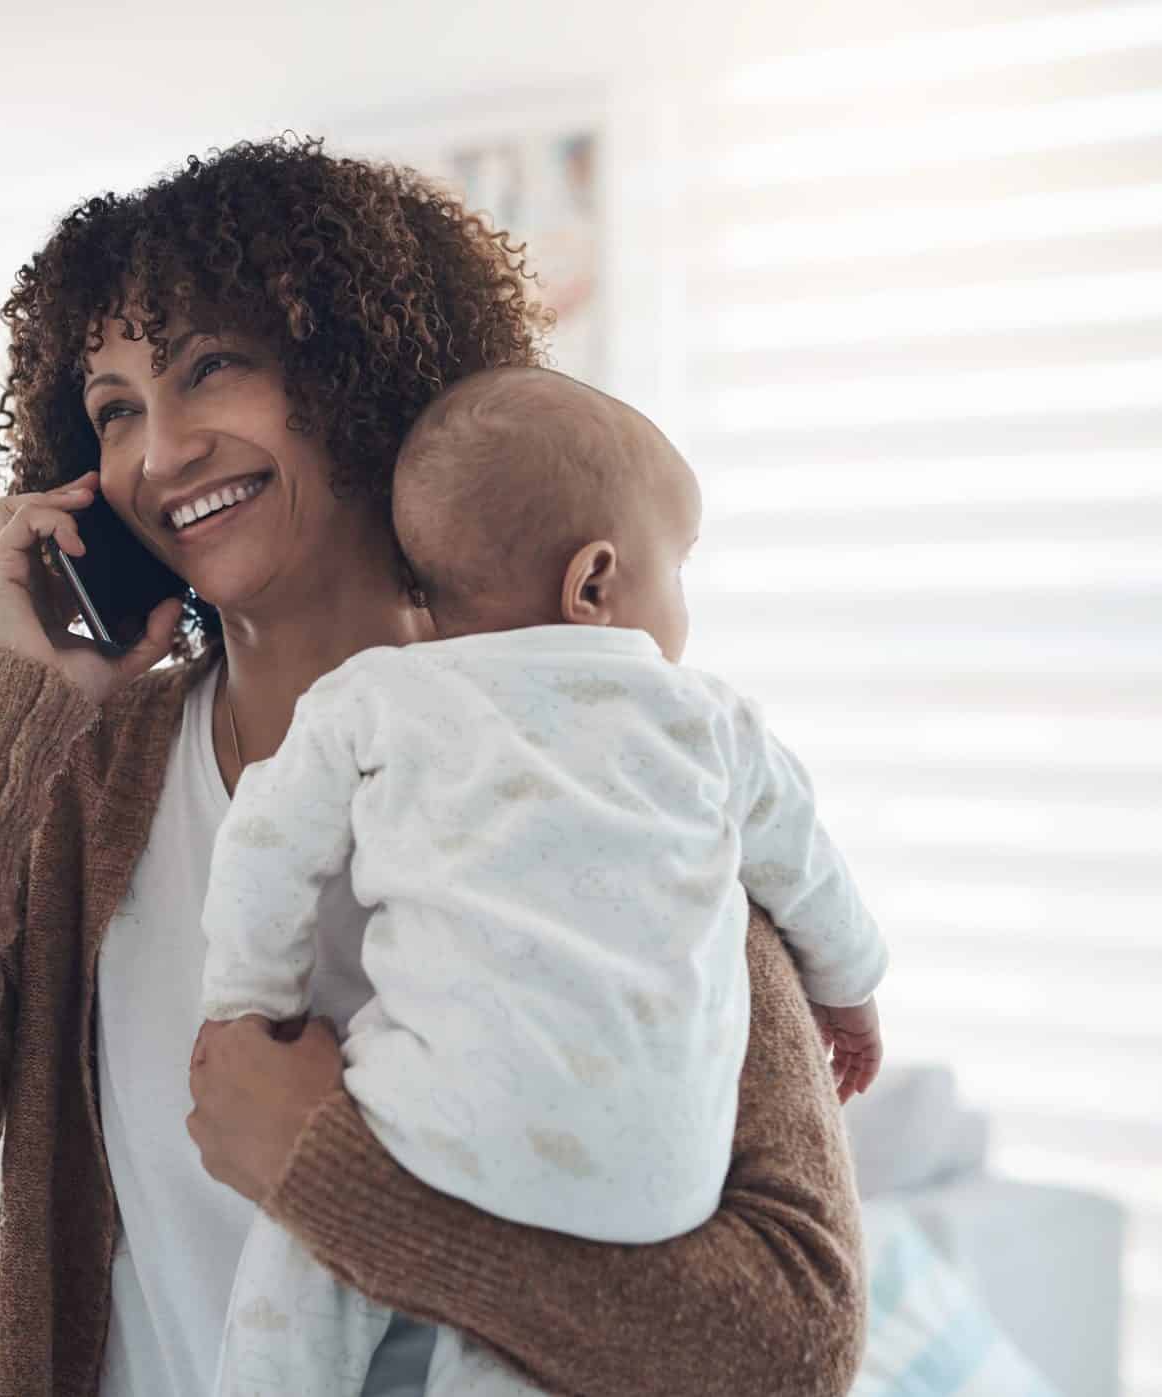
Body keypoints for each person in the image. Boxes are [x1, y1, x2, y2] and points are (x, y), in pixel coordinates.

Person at [0, 135, 867, 1397]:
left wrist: (330, 1179)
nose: (159, 451)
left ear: (361, 372)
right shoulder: (85, 774)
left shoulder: (609, 740)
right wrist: (15, 702)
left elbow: (788, 1344)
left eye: (209, 368)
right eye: (116, 406)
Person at [199, 365, 888, 1397]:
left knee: (302, 1268)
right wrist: (850, 988)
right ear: (594, 581)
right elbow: (807, 869)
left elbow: (265, 842)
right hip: (651, 1180)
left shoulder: (377, 699)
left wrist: (251, 1001)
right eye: (680, 567)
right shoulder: (705, 721)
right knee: (523, 1349)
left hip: (429, 1123)